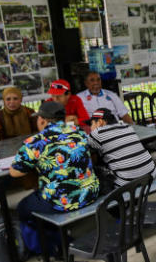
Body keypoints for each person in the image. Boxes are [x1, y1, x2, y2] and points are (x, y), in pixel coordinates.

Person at [9, 101, 99, 248]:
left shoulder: (37, 141)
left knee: (22, 208)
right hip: (90, 193)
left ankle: (55, 244)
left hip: (61, 201)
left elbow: (14, 172)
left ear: (42, 120)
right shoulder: (78, 131)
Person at [85, 108, 155, 188]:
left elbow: (81, 146)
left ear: (100, 122)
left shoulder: (97, 133)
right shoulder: (127, 126)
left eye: (92, 124)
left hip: (127, 182)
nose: (90, 128)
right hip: (151, 173)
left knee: (95, 173)